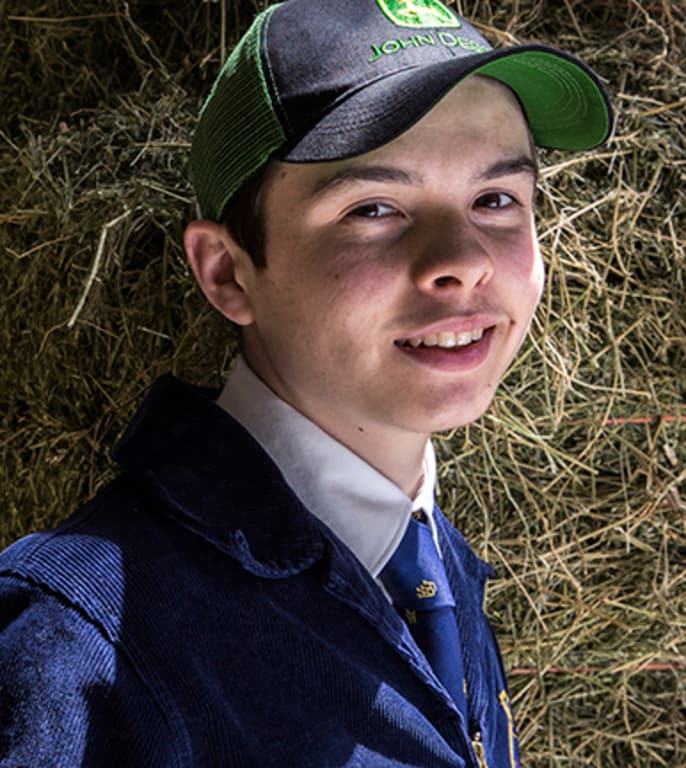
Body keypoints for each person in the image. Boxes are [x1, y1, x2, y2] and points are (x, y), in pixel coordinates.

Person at [0, 0, 612, 765]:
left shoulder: (434, 568)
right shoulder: (81, 652)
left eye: (496, 199)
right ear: (229, 272)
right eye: (375, 208)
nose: (464, 259)